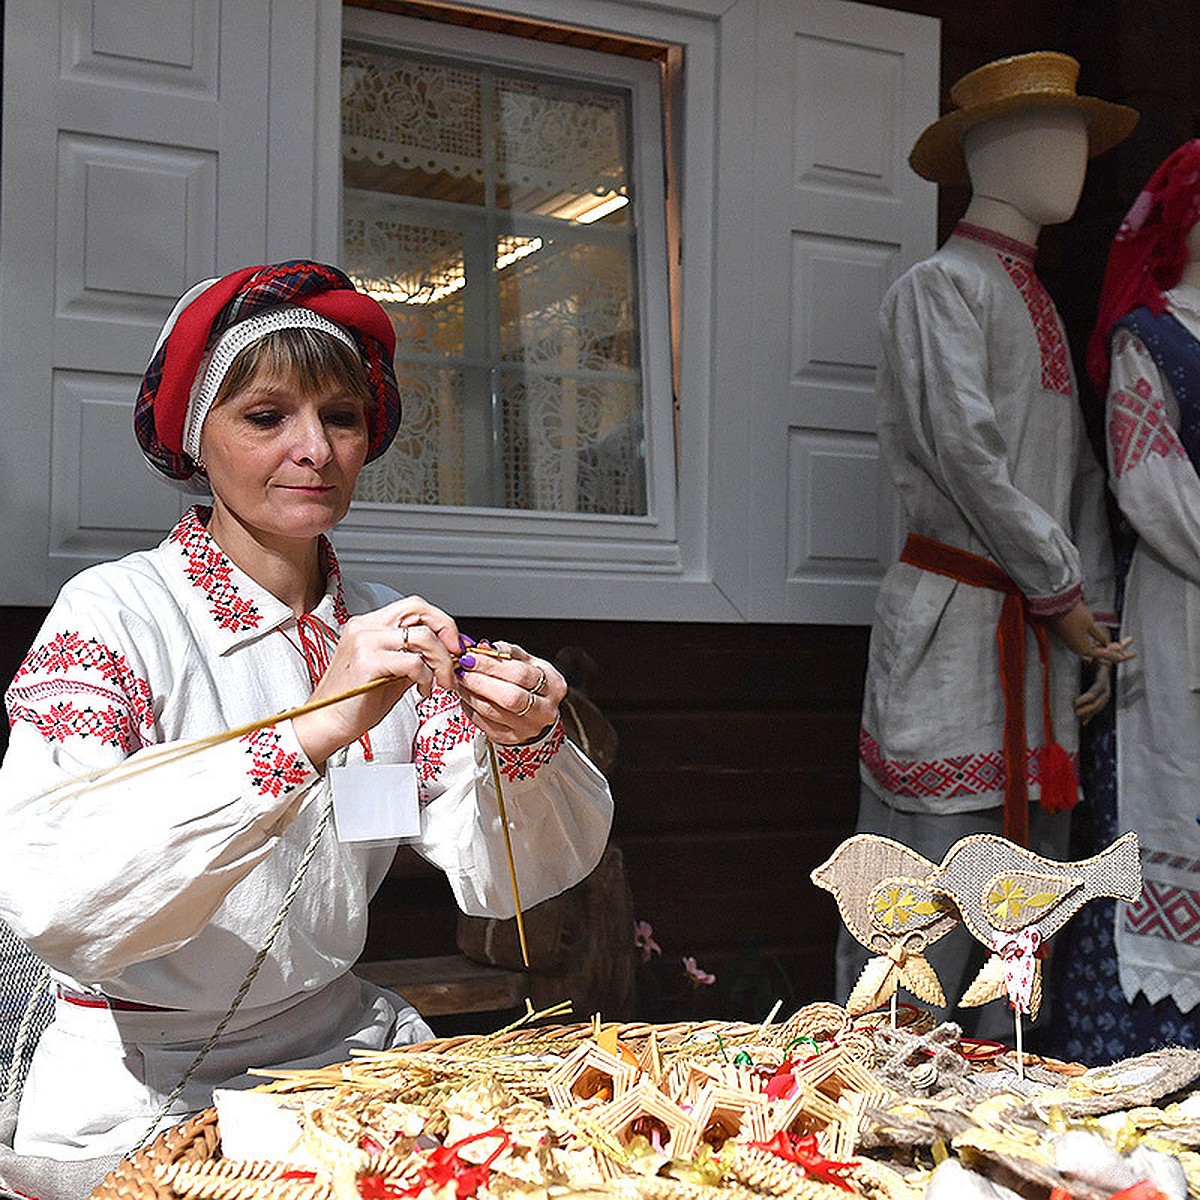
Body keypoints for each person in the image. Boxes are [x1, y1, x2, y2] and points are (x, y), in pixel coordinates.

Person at [0, 260, 614, 1161]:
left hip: (343, 1056)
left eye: (341, 418)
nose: (316, 450)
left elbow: (506, 875)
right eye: (264, 417)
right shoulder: (120, 616)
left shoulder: (388, 628)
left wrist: (522, 745)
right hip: (145, 1084)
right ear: (194, 440)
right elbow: (54, 891)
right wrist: (311, 730)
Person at [838, 53, 1136, 1033]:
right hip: (955, 629)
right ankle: (872, 1119)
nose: (1074, 161)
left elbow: (1081, 474)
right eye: (1052, 136)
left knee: (1023, 902)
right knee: (917, 901)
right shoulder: (938, 290)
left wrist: (1091, 610)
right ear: (987, 153)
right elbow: (967, 460)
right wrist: (1063, 589)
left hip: (1043, 647)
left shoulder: (1037, 299)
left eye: (1080, 138)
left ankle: (997, 1122)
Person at [1050, 141, 1200, 1060]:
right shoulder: (1152, 336)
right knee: (1159, 832)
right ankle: (1135, 1076)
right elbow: (1152, 488)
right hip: (1179, 615)